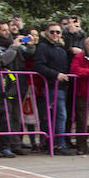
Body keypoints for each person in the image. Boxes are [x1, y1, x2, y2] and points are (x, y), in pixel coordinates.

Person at [34, 22, 75, 154]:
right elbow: (39, 66)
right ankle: (56, 144)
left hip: (62, 87)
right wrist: (56, 75)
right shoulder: (42, 47)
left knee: (60, 116)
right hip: (51, 86)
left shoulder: (61, 47)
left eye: (58, 32)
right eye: (52, 32)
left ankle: (57, 143)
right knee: (56, 116)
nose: (55, 34)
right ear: (46, 32)